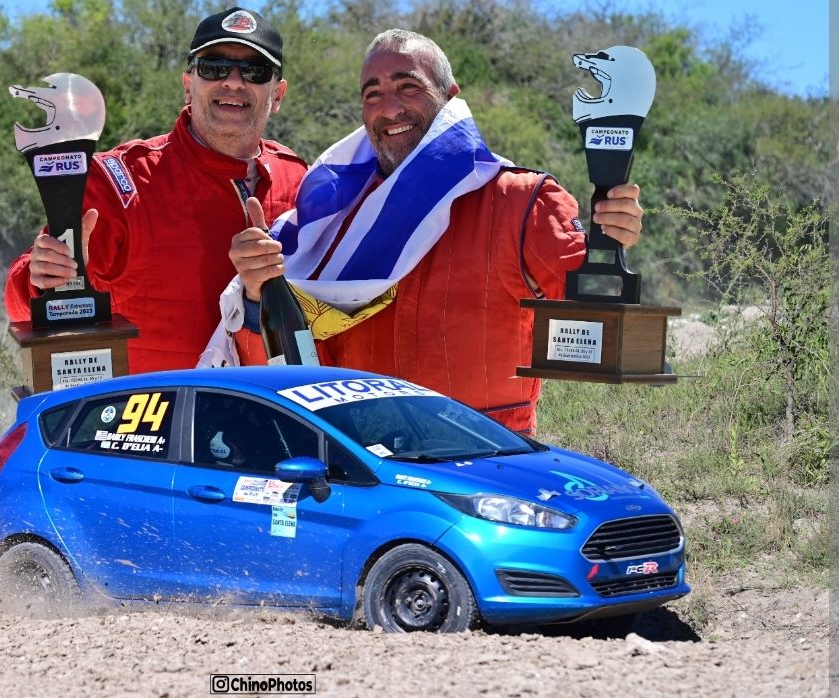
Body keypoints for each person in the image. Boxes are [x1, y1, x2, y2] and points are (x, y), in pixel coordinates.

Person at [203, 29, 644, 435]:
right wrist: (258, 295)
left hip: (485, 461)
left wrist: (612, 242)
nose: (389, 107)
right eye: (372, 93)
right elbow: (296, 367)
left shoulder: (519, 200)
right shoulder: (333, 221)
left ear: (449, 96)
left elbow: (599, 327)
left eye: (407, 86)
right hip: (367, 465)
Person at [4, 7, 307, 373]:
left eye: (254, 71)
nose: (233, 82)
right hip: (150, 422)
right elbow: (26, 304)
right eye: (213, 67)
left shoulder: (300, 180)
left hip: (273, 417)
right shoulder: (121, 181)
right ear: (187, 85)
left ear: (278, 94)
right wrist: (41, 277)